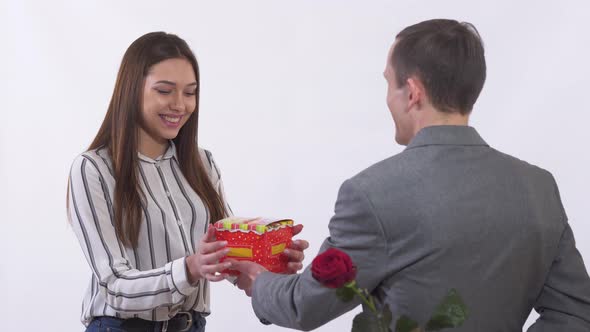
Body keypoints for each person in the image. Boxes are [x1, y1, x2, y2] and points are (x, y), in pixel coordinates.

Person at [231, 19, 590, 331]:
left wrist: (258, 281)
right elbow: (575, 313)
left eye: (389, 83)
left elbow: (306, 305)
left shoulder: (371, 194)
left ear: (413, 92)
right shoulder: (539, 187)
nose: (387, 97)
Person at [67, 32, 308, 332]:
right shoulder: (93, 169)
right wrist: (190, 268)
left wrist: (269, 266)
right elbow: (114, 286)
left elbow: (224, 255)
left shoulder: (202, 164)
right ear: (131, 91)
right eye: (165, 91)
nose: (180, 105)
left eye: (190, 92)